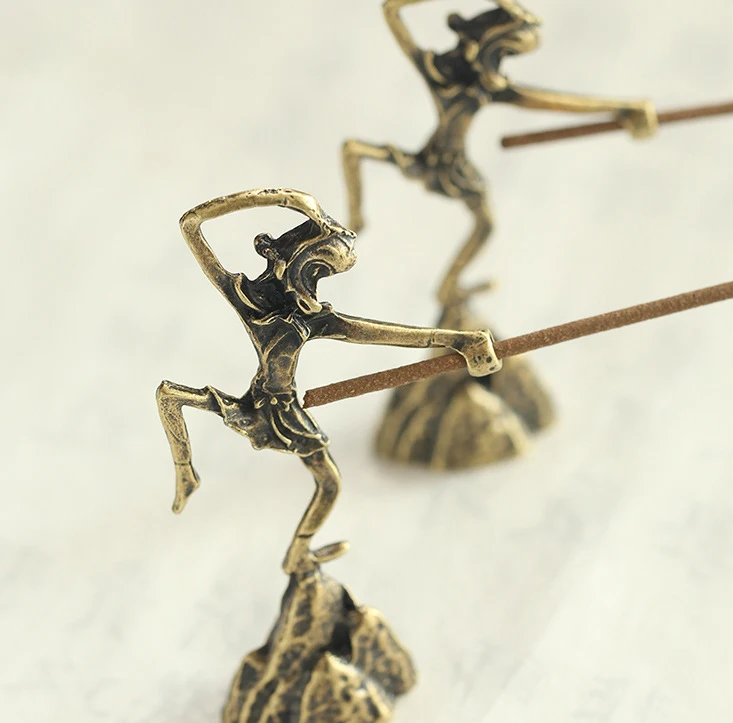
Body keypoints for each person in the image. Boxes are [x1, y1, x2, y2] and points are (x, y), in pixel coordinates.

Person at [156, 188, 501, 575]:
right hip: (257, 402)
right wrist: (282, 199)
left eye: (322, 277)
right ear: (293, 264)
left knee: (329, 483)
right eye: (316, 272)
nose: (316, 287)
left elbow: (386, 334)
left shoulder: (315, 319)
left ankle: (297, 552)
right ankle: (186, 472)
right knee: (168, 396)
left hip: (286, 410)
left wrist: (460, 340)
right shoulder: (248, 300)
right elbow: (191, 224)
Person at [343, 0, 658, 305]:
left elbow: (559, 102)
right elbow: (391, 9)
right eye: (501, 53)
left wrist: (626, 108)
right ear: (477, 46)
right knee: (353, 150)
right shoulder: (439, 73)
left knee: (486, 224)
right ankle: (357, 221)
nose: (498, 63)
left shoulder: (487, 88)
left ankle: (447, 288)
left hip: (450, 167)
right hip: (434, 161)